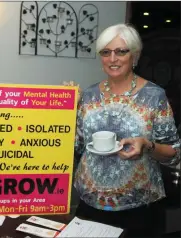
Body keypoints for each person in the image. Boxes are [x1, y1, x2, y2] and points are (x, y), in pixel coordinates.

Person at [72, 23, 180, 237]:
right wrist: (66, 111)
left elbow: (174, 153)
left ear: (135, 55)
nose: (113, 59)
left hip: (139, 208)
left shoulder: (154, 96)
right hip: (89, 202)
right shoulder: (88, 95)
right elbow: (78, 147)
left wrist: (147, 145)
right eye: (106, 52)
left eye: (121, 51)